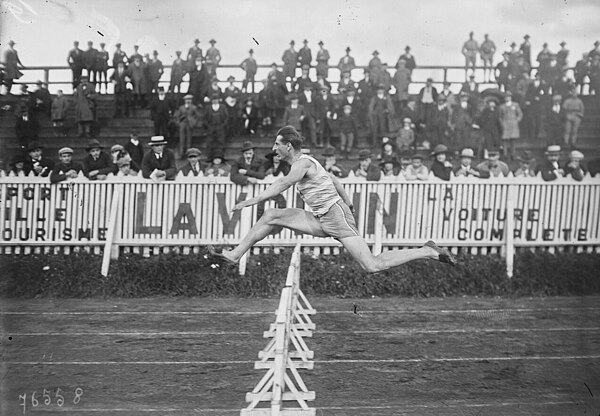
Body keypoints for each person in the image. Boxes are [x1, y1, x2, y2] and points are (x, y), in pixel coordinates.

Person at [208, 125, 456, 271]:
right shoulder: (311, 162)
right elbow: (335, 181)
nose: (274, 148)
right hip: (321, 216)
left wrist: (251, 201)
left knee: (372, 265)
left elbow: (283, 183)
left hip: (335, 217)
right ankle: (234, 254)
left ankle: (428, 251)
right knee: (272, 215)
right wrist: (347, 199)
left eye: (277, 144)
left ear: (289, 147)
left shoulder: (303, 163)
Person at [498, 92, 522, 161]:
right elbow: (500, 117)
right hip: (505, 124)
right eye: (506, 97)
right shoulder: (502, 107)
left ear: (511, 98)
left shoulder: (515, 105)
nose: (507, 98)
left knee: (513, 140)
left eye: (508, 97)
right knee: (505, 140)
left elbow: (520, 114)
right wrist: (502, 123)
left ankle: (513, 154)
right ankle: (505, 155)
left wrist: (517, 120)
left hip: (513, 124)